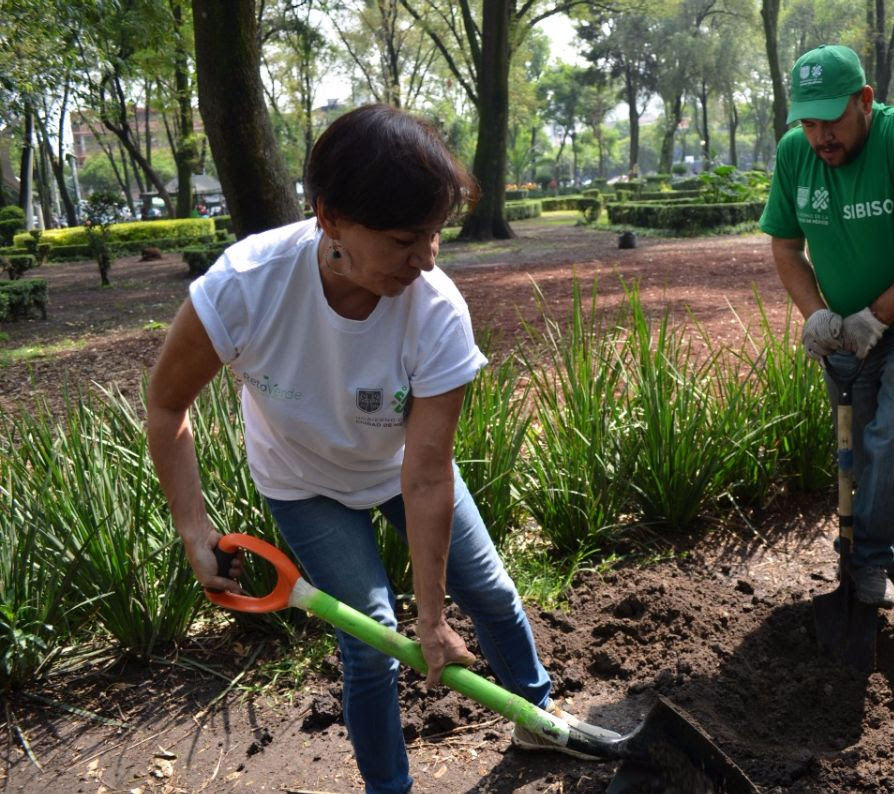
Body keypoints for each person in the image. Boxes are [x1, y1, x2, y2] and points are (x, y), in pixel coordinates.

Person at [146, 103, 616, 794]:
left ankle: (539, 717)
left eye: (433, 235)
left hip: (400, 472)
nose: (425, 259)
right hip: (303, 482)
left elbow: (426, 476)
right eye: (404, 239)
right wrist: (193, 527)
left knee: (489, 590)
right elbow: (165, 406)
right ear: (330, 217)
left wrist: (432, 620)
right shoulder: (246, 288)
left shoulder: (436, 312)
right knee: (369, 644)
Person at [759, 45, 894, 608]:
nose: (820, 136)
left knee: (892, 439)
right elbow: (785, 245)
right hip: (846, 326)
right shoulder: (794, 155)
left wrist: (875, 319)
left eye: (832, 119)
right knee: (869, 446)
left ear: (866, 101)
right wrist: (820, 318)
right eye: (808, 122)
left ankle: (866, 562)